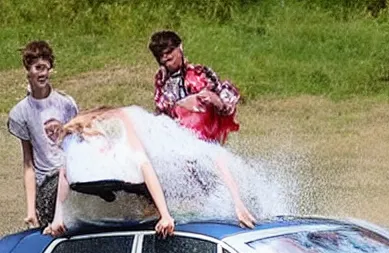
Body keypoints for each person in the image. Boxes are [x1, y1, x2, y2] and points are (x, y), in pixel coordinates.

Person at [44, 105, 257, 237]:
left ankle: (153, 207)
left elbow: (217, 158)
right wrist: (58, 218)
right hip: (121, 168)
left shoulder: (180, 149)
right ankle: (154, 207)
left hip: (138, 165)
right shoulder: (117, 135)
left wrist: (238, 204)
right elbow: (65, 171)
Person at [7, 41, 78, 229]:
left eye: (47, 68)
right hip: (47, 182)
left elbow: (77, 145)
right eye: (38, 68)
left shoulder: (66, 104)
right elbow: (28, 164)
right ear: (28, 70)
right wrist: (31, 210)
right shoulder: (21, 112)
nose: (43, 73)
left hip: (72, 179)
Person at [149, 31, 240, 144]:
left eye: (169, 51)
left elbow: (227, 103)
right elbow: (162, 110)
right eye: (159, 55)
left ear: (180, 47)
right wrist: (181, 105)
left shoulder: (199, 74)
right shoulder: (161, 80)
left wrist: (216, 100)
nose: (165, 57)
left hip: (204, 135)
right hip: (176, 135)